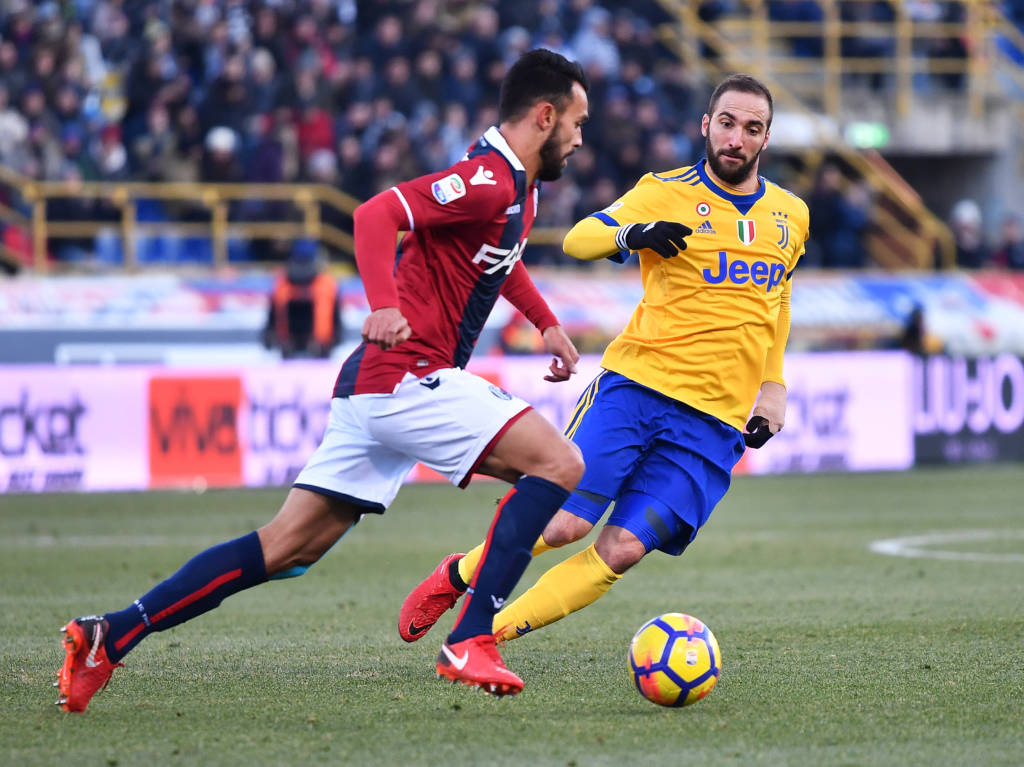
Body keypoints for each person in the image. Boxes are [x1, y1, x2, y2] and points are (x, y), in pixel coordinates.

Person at [55, 49, 590, 712]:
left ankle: (109, 633)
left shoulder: (518, 187)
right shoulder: (486, 178)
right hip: (406, 377)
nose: (580, 136)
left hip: (376, 388)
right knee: (560, 465)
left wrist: (545, 322)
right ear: (545, 115)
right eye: (576, 121)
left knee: (283, 548)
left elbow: (497, 258)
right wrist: (382, 303)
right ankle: (471, 634)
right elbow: (373, 216)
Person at [399, 73, 809, 648]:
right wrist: (635, 233)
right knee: (564, 523)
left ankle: (487, 635)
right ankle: (458, 575)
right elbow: (579, 239)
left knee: (622, 549)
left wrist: (774, 384)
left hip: (716, 421)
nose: (736, 138)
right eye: (726, 123)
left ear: (766, 138)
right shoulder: (664, 190)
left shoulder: (792, 215)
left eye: (752, 128)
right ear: (705, 126)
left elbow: (779, 298)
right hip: (638, 387)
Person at [262, 240, 342, 359]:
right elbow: (337, 320)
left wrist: (269, 340)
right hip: (316, 351)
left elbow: (271, 320)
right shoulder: (327, 284)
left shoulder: (281, 283)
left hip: (293, 350)